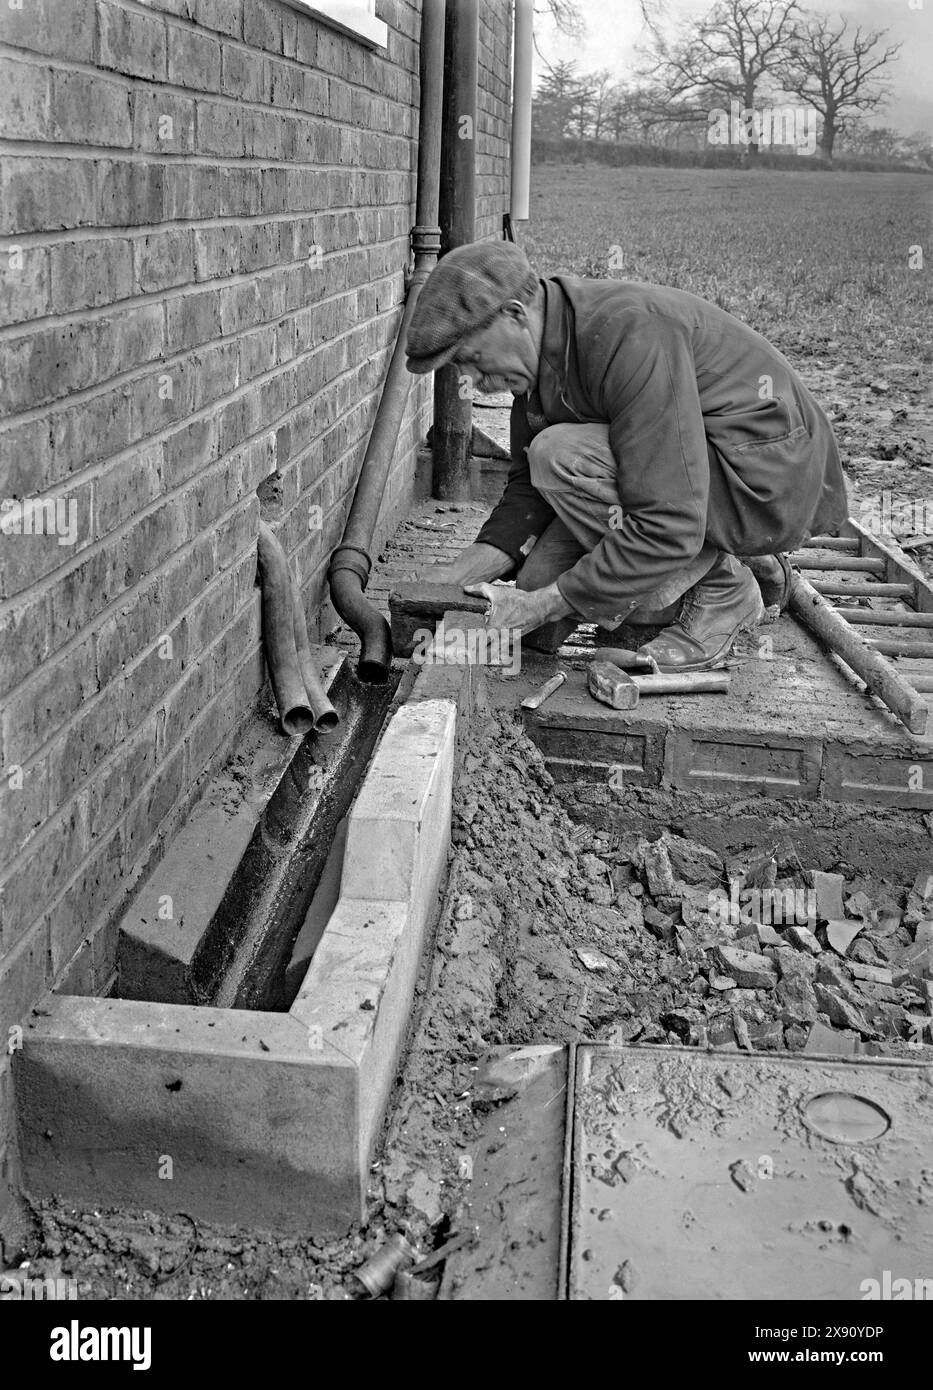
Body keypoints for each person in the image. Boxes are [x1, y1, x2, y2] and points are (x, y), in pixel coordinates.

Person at [404, 240, 848, 670]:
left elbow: (668, 521)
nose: (474, 381)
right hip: (697, 470)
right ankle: (742, 562)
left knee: (558, 457)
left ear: (515, 314)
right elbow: (527, 492)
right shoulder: (540, 355)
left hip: (766, 478)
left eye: (474, 359)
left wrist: (544, 605)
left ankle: (722, 588)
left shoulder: (626, 334)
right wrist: (458, 577)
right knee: (537, 596)